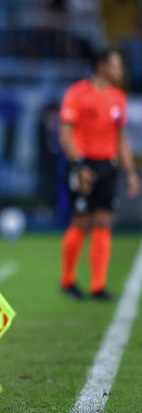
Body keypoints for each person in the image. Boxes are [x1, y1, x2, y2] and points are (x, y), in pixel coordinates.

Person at [58, 49, 140, 301]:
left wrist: (130, 172)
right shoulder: (77, 94)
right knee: (81, 222)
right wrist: (78, 166)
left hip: (108, 166)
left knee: (104, 222)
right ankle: (67, 280)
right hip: (84, 164)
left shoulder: (118, 97)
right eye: (116, 65)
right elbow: (65, 134)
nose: (120, 70)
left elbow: (120, 138)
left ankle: (98, 286)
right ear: (101, 67)